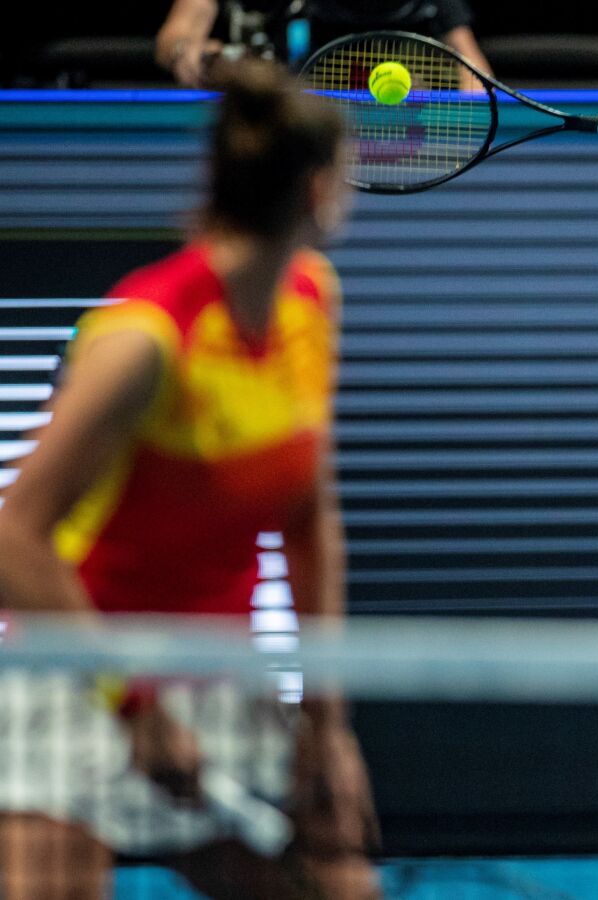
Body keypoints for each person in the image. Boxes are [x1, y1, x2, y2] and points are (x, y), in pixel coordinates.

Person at [0, 59, 379, 899]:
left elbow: (309, 521)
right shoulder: (145, 337)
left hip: (217, 672)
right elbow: (13, 537)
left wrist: (328, 723)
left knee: (340, 889)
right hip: (79, 678)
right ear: (320, 192)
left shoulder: (311, 303)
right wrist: (134, 705)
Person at [157, 0, 493, 87]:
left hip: (390, 142)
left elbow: (475, 72)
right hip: (288, 131)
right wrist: (187, 51)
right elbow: (177, 32)